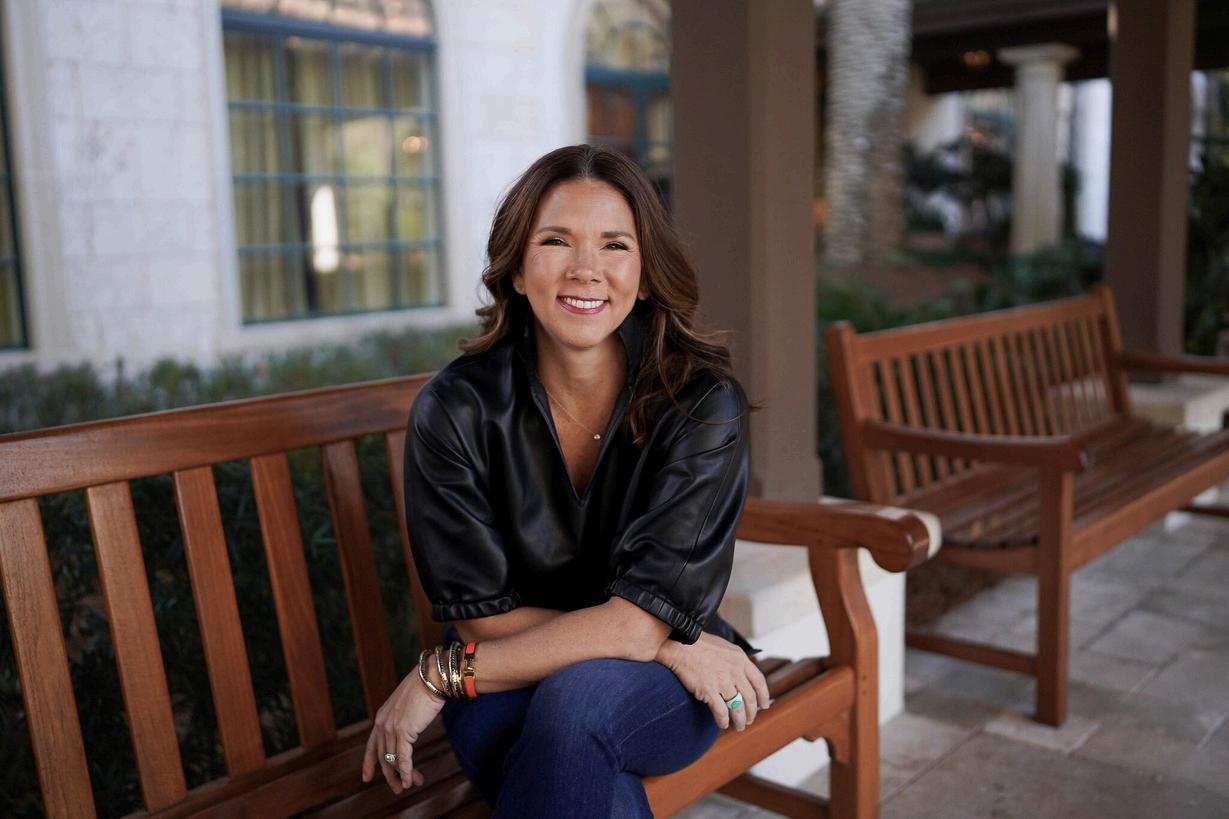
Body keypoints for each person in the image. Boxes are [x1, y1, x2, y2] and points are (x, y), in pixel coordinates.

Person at [360, 144, 768, 817]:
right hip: (517, 674)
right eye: (555, 241)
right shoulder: (457, 408)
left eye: (615, 245)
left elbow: (637, 626)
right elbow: (485, 618)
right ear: (518, 269)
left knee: (576, 702)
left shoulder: (699, 403)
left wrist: (440, 675)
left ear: (644, 274)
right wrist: (666, 646)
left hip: (641, 695)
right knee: (589, 775)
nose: (585, 269)